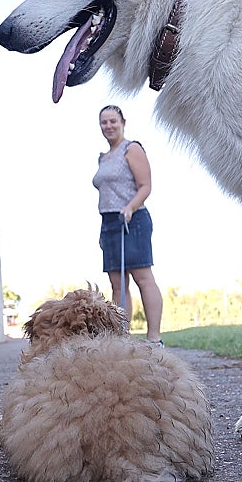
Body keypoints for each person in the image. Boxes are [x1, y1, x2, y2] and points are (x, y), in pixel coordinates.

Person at [92, 105, 164, 345]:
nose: (109, 126)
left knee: (142, 277)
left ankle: (154, 337)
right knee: (117, 284)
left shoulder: (131, 149)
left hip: (132, 219)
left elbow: (145, 185)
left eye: (113, 121)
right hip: (109, 222)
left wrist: (130, 207)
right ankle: (122, 337)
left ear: (123, 122)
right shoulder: (103, 157)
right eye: (104, 122)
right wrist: (103, 229)